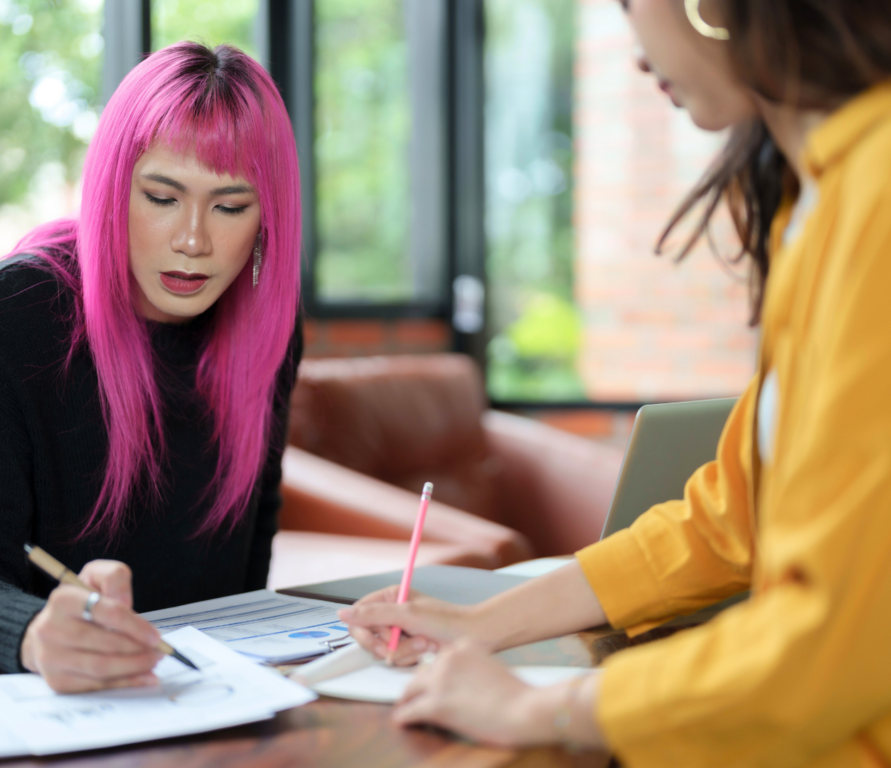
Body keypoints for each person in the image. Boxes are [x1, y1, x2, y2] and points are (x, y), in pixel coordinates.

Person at [340, 1, 891, 765]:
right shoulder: (817, 205)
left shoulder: (876, 197)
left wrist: (547, 709)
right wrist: (486, 621)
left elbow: (834, 643)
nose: (635, 50)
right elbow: (727, 523)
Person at [0, 42, 302, 694]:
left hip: (177, 696)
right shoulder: (13, 312)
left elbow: (247, 546)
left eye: (230, 206)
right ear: (116, 186)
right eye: (161, 196)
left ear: (267, 221)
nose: (193, 240)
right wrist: (34, 633)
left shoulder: (268, 327)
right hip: (19, 699)